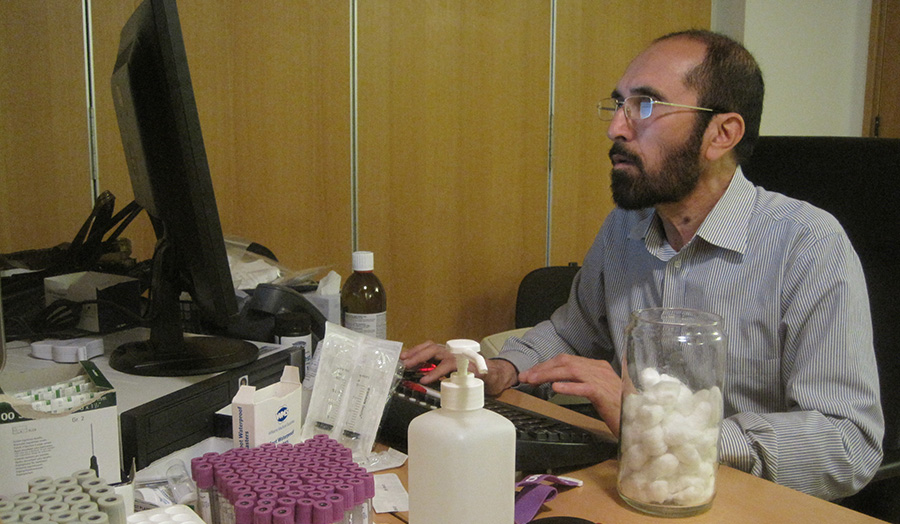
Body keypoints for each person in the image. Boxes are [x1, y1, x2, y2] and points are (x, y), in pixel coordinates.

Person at [401, 29, 884, 500]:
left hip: (744, 502)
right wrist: (498, 368)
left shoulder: (808, 247)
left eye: (646, 106)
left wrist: (659, 423)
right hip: (636, 488)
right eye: (619, 105)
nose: (616, 128)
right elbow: (574, 332)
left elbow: (849, 442)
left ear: (722, 133)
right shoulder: (625, 227)